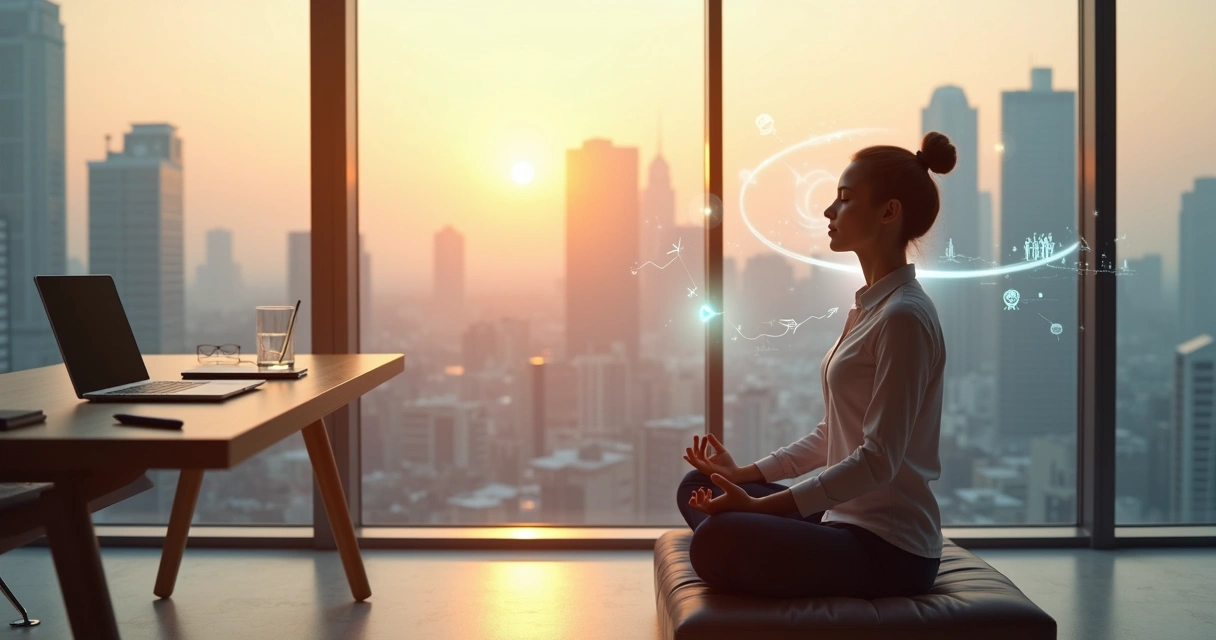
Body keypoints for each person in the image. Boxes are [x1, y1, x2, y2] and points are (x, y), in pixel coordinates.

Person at [676, 132, 956, 599]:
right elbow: (832, 435)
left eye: (844, 198)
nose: (829, 211)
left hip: (889, 549)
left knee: (716, 539)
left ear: (889, 212)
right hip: (839, 520)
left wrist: (762, 511)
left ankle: (757, 537)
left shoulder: (903, 317)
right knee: (697, 484)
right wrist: (745, 475)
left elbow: (878, 460)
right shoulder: (870, 309)